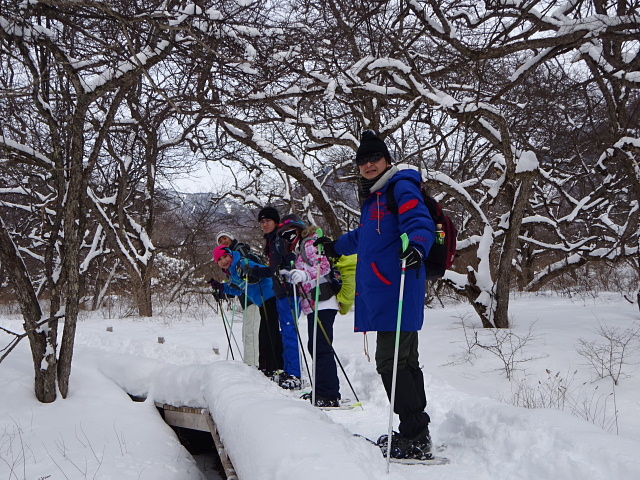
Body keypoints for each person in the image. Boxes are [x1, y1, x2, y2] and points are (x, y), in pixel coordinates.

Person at [315, 130, 436, 460]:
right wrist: (336, 246)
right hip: (385, 291)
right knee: (404, 361)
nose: (369, 164)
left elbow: (419, 220)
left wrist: (419, 248)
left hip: (397, 286)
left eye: (374, 159)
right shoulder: (376, 199)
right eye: (363, 161)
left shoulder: (401, 186)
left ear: (387, 161)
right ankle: (416, 432)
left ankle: (414, 435)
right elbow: (366, 237)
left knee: (390, 362)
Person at [278, 217, 341, 407]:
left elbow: (324, 266)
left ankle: (329, 395)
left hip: (323, 301)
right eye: (283, 235)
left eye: (289, 231)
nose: (287, 237)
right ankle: (321, 391)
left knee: (321, 347)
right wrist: (291, 277)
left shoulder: (309, 243)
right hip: (314, 303)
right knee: (316, 347)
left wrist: (304, 274)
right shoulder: (299, 249)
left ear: (297, 230)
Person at [242, 206, 302, 390]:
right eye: (261, 221)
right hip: (280, 291)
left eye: (267, 221)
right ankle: (287, 369)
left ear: (276, 222)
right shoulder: (272, 241)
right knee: (285, 332)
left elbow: (282, 265)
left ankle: (294, 374)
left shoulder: (280, 239)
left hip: (289, 290)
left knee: (289, 331)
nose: (264, 224)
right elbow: (274, 268)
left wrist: (258, 271)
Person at [211, 245, 284, 376]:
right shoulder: (232, 273)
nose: (224, 261)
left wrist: (254, 272)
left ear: (231, 255)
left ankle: (268, 368)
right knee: (271, 333)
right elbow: (239, 289)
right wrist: (222, 287)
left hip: (269, 296)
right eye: (220, 259)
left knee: (266, 334)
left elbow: (266, 271)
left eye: (225, 256)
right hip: (262, 302)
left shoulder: (242, 263)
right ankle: (278, 365)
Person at [215, 231, 262, 368]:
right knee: (248, 332)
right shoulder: (229, 259)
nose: (223, 241)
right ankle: (253, 363)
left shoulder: (239, 251)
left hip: (254, 299)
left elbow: (247, 276)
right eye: (220, 241)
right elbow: (238, 284)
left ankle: (252, 365)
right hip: (248, 299)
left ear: (231, 238)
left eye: (225, 238)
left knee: (250, 332)